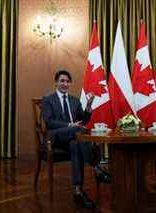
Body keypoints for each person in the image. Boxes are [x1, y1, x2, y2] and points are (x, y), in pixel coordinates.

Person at [41, 70, 110, 209]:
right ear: (56, 82)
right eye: (62, 81)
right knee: (78, 130)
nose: (65, 84)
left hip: (72, 139)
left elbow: (83, 120)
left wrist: (89, 105)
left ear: (70, 83)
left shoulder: (74, 101)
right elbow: (49, 122)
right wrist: (69, 125)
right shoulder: (48, 100)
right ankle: (96, 168)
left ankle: (78, 191)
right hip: (55, 137)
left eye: (67, 81)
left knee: (75, 144)